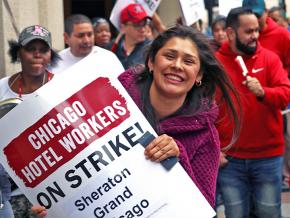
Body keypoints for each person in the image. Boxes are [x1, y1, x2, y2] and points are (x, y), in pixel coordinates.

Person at [32, 25, 241, 217]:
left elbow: (201, 209)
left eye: (188, 61)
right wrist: (57, 208)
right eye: (169, 56)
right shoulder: (108, 101)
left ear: (199, 75)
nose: (177, 66)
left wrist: (177, 157)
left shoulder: (205, 136)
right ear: (151, 62)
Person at [215, 7, 290, 218]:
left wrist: (263, 92)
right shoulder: (215, 65)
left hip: (267, 157)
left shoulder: (270, 59)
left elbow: (285, 95)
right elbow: (205, 110)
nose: (255, 36)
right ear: (230, 33)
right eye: (248, 31)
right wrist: (215, 149)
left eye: (257, 30)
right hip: (231, 160)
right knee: (236, 214)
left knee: (269, 212)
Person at [0, 24, 59, 218]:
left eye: (43, 50)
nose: (37, 55)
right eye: (30, 49)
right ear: (18, 53)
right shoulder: (2, 88)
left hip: (54, 187)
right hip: (10, 190)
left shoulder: (62, 87)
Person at [243, 0, 290, 193]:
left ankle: (283, 176)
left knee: (282, 136)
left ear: (267, 12)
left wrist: (276, 76)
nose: (255, 19)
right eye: (250, 14)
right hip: (249, 108)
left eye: (258, 14)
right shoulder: (239, 37)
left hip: (276, 100)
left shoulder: (281, 35)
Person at [51, 14, 124, 76]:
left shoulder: (108, 58)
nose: (86, 40)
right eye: (80, 36)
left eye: (90, 34)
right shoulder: (56, 62)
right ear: (66, 38)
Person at [113, 3, 152, 69]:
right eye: (137, 25)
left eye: (145, 23)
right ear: (123, 27)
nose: (142, 29)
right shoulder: (111, 47)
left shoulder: (152, 48)